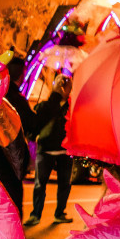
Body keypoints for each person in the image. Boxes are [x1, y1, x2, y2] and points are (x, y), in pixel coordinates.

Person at [26, 76, 74, 226]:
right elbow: (35, 124)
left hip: (65, 151)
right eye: (62, 85)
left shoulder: (71, 107)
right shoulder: (47, 105)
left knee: (64, 184)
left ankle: (59, 213)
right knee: (40, 184)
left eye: (67, 85)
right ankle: (36, 214)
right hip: (45, 150)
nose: (65, 88)